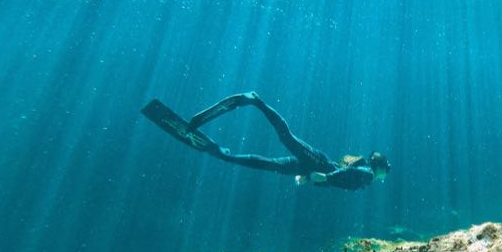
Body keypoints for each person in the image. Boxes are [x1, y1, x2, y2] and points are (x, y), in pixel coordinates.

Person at [141, 92, 390, 191]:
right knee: (285, 136)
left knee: (265, 163)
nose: (384, 175)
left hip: (309, 168)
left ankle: (217, 151)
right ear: (379, 167)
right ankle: (256, 100)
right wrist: (328, 178)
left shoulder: (366, 174)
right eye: (385, 171)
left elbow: (344, 176)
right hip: (317, 162)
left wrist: (311, 178)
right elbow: (349, 173)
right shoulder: (368, 173)